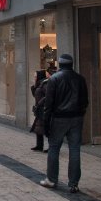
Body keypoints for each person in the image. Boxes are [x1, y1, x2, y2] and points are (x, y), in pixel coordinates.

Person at [40, 54, 88, 193]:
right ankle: (73, 183)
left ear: (60, 65)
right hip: (76, 118)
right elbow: (85, 101)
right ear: (71, 64)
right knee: (75, 150)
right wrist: (80, 114)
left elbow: (48, 104)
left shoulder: (54, 79)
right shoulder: (80, 79)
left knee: (54, 148)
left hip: (59, 118)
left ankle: (51, 179)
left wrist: (46, 122)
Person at [30, 70, 49, 152]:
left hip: (43, 109)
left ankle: (51, 146)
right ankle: (39, 145)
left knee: (46, 128)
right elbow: (35, 94)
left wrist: (41, 102)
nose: (34, 77)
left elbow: (48, 95)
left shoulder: (44, 84)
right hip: (39, 109)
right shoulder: (38, 84)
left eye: (35, 76)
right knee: (38, 127)